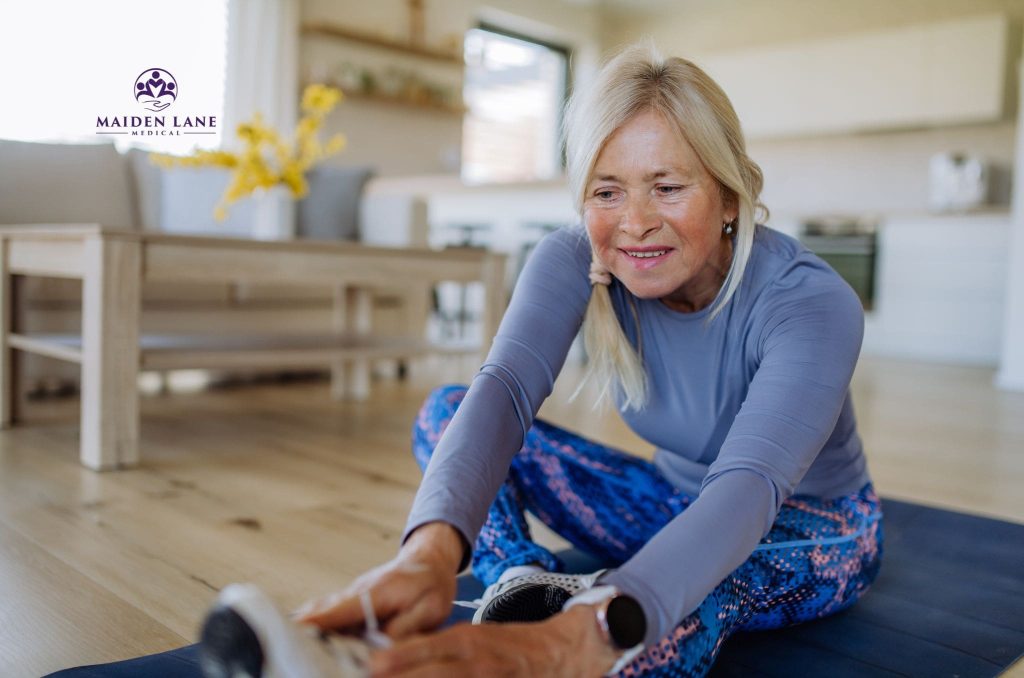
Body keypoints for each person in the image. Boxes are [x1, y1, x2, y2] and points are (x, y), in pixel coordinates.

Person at [50, 41, 882, 678]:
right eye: (606, 189)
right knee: (449, 409)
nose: (633, 222)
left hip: (808, 528)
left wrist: (580, 635)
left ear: (729, 195)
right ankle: (515, 596)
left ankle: (563, 644)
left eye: (668, 187)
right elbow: (507, 392)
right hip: (664, 499)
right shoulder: (573, 257)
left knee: (690, 592)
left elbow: (746, 491)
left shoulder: (810, 302)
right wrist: (427, 556)